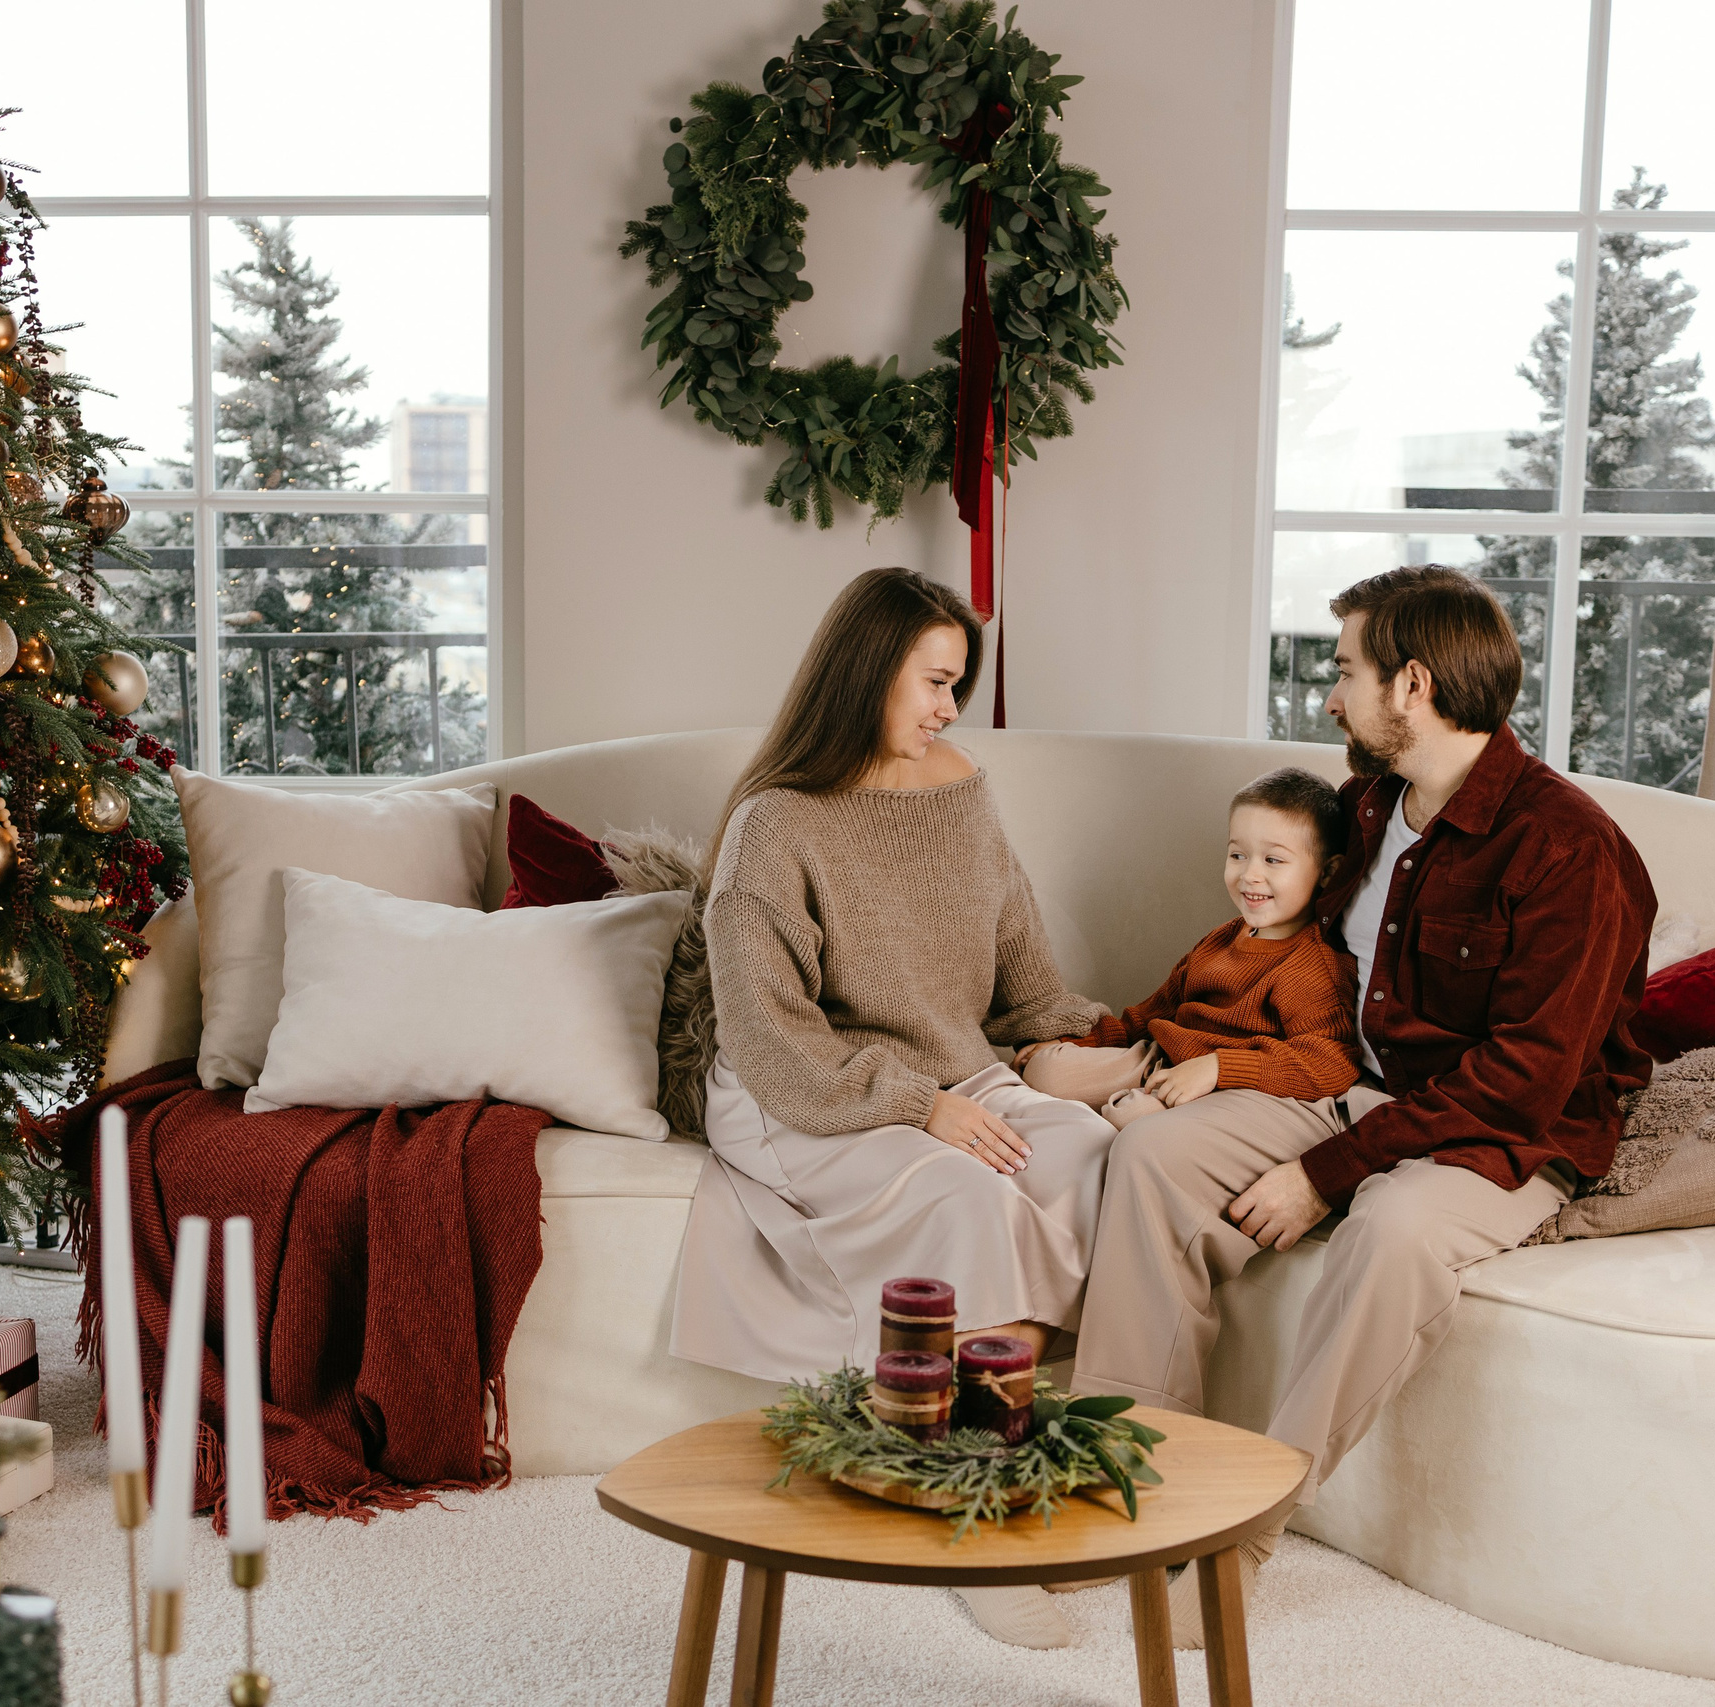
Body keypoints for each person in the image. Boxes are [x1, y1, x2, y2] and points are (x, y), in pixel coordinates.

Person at [1073, 565, 1656, 1644]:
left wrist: (1325, 1175)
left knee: (1388, 1229)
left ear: (1413, 686)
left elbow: (1525, 1079)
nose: (1329, 696)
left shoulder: (1570, 850)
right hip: (1352, 1088)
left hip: (1506, 1137)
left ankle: (1244, 1529)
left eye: (1345, 671)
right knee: (1151, 1160)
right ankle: (1123, 1466)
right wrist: (1170, 1054)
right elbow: (1290, 978)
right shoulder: (1367, 808)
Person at [670, 566, 1119, 1648]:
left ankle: (1001, 1457)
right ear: (867, 671)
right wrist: (917, 1106)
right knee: (971, 1199)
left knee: (1091, 1154)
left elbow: (1021, 974)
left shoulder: (961, 788)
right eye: (932, 682)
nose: (948, 709)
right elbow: (770, 1036)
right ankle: (977, 1517)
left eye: (956, 685)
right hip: (804, 1089)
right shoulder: (775, 825)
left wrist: (1104, 1046)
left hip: (944, 1073)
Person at [1017, 766, 1362, 1127]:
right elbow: (1152, 1013)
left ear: (1328, 872)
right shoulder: (1222, 939)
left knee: (1134, 1117)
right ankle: (1101, 1106)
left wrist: (1218, 1067)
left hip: (1226, 1084)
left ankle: (1114, 1117)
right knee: (1047, 1071)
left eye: (1272, 860)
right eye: (1237, 855)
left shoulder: (1314, 965)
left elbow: (1331, 1063)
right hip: (1161, 1056)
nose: (1249, 875)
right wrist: (1082, 1044)